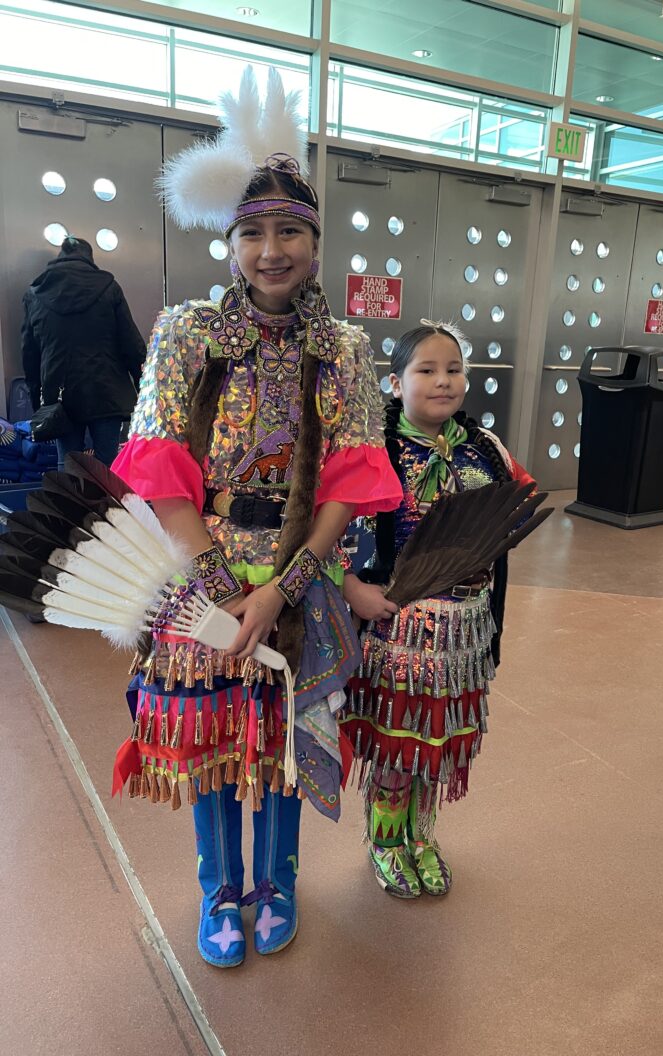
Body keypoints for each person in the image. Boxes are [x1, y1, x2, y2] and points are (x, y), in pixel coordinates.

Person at [110, 67, 401, 967]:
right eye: (254, 232)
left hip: (299, 566)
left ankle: (277, 884)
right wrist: (218, 586)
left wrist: (282, 589)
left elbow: (352, 480)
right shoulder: (186, 333)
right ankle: (217, 892)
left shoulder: (345, 347)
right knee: (207, 739)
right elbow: (159, 465)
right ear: (230, 242)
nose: (271, 249)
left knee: (278, 733)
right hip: (200, 564)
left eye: (289, 231)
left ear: (314, 244)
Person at [341, 321, 536, 899]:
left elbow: (519, 505)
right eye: (426, 370)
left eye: (453, 370)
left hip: (466, 629)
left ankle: (422, 838)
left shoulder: (487, 448)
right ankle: (385, 841)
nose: (443, 381)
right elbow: (335, 533)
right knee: (400, 740)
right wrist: (353, 589)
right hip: (400, 629)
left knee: (442, 739)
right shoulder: (375, 449)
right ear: (396, 383)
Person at [21, 235, 146, 469]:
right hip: (106, 391)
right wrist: (144, 388)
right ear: (89, 257)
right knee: (109, 465)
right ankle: (110, 506)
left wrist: (37, 399)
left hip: (59, 393)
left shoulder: (35, 293)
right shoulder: (108, 287)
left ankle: (71, 505)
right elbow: (132, 344)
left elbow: (29, 353)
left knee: (68, 464)